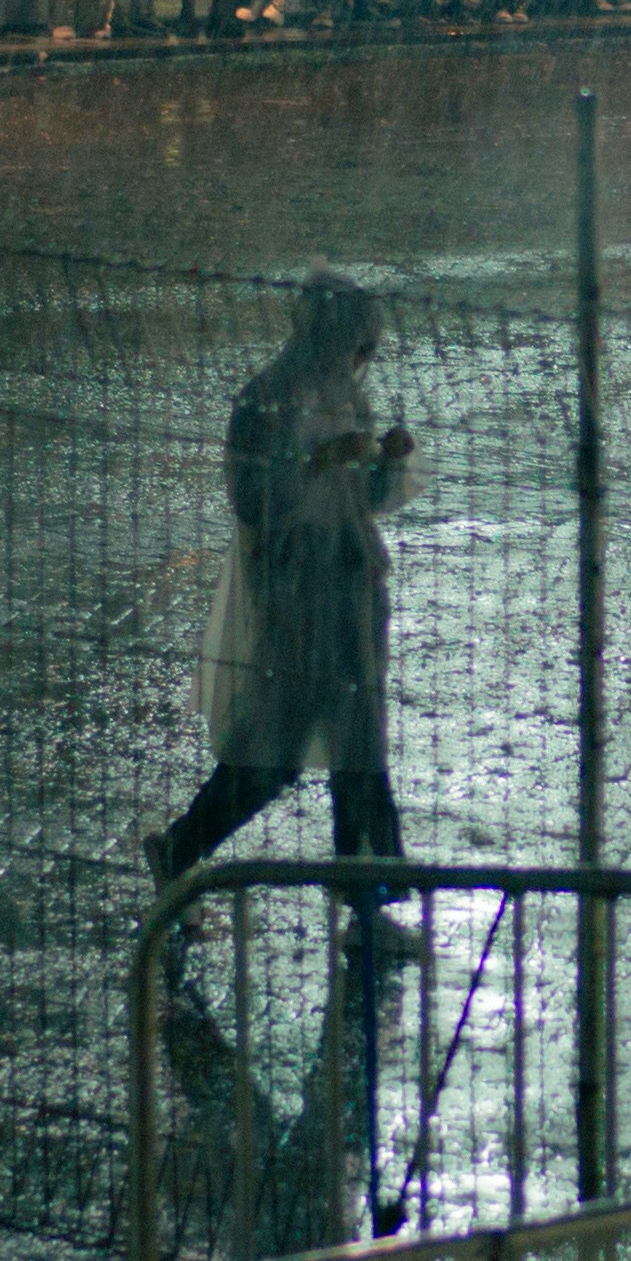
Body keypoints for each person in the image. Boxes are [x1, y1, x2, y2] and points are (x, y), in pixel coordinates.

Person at [151, 275, 420, 890]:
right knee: (281, 752)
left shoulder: (348, 399)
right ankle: (181, 850)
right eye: (354, 341)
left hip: (349, 589)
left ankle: (371, 885)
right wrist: (316, 464)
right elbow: (251, 500)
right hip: (298, 597)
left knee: (357, 745)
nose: (357, 357)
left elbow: (365, 497)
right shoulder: (264, 400)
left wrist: (388, 461)